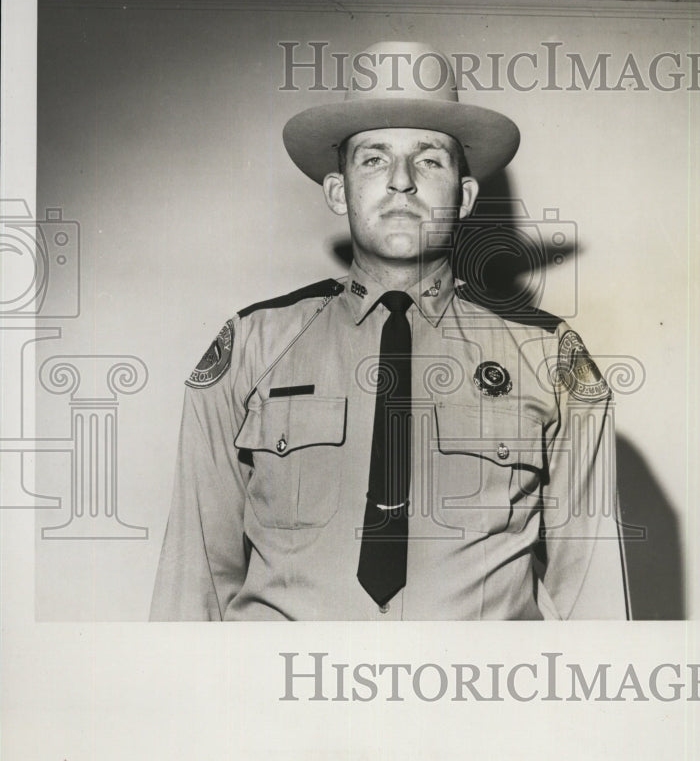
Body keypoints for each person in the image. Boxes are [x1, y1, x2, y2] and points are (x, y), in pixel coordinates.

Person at [150, 41, 630, 621]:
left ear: (465, 195)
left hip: (479, 703)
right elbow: (193, 581)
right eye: (374, 158)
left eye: (429, 159)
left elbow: (594, 599)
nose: (401, 181)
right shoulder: (254, 347)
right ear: (337, 190)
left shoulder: (547, 356)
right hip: (284, 700)